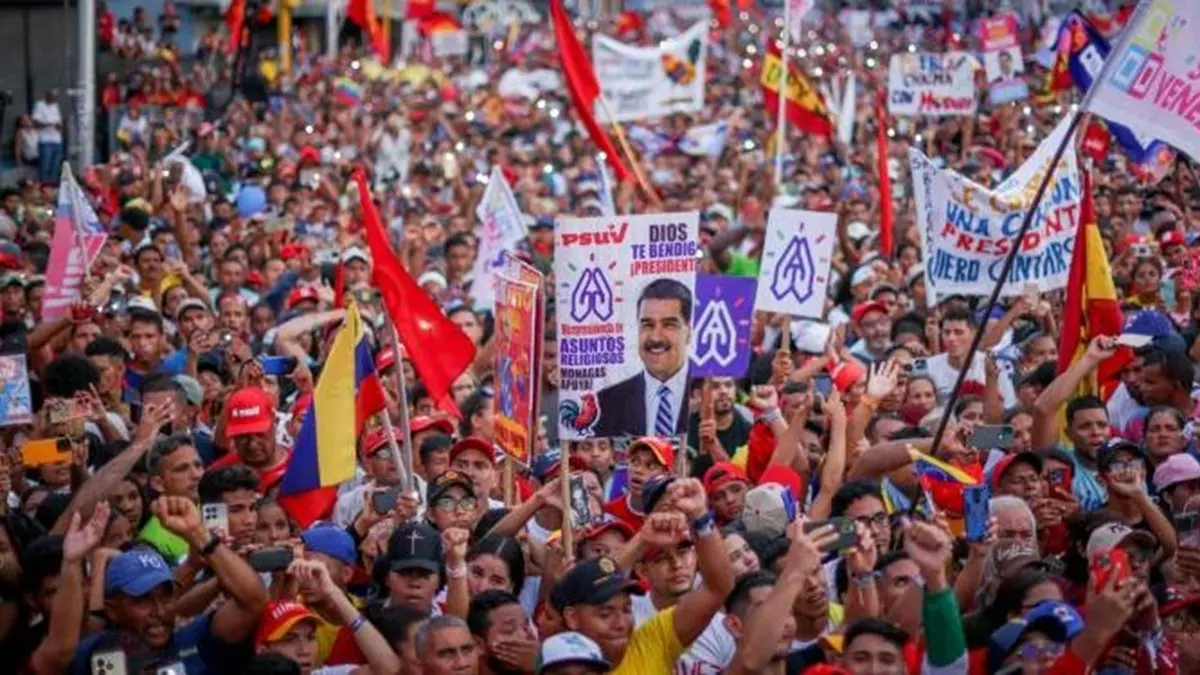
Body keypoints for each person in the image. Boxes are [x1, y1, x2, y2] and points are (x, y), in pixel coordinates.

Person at [65, 497, 268, 673]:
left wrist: (198, 534)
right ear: (112, 610)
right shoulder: (94, 654)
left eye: (165, 596)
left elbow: (254, 601)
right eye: (142, 600)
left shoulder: (194, 639)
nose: (159, 611)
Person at [592, 279, 693, 438]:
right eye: (647, 325)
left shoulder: (706, 393)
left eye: (669, 325)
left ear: (688, 332)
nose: (655, 337)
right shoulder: (608, 402)